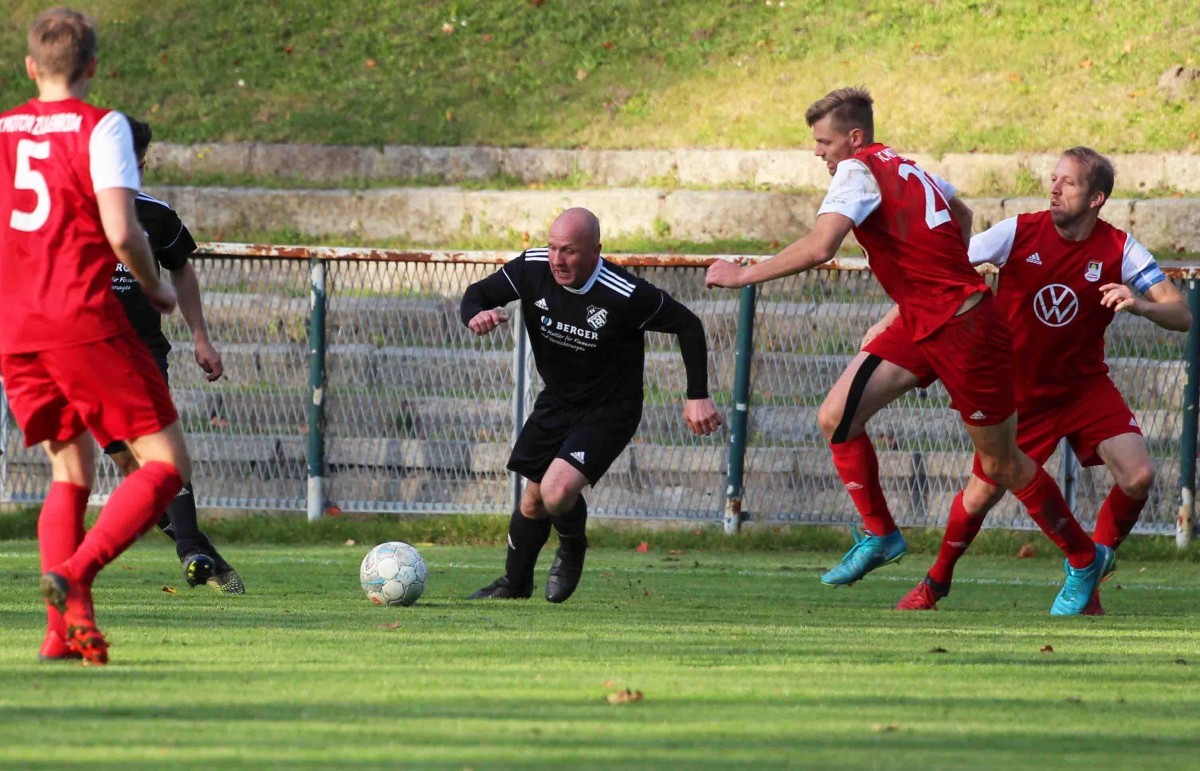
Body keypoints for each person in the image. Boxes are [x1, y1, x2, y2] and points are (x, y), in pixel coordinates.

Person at [705, 87, 1110, 616]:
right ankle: (880, 535)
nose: (818, 152)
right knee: (835, 416)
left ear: (853, 138)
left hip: (965, 329)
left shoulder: (856, 171)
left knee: (1001, 463)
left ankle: (1083, 559)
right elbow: (960, 215)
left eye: (824, 142)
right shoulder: (905, 165)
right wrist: (918, 294)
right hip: (926, 319)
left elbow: (820, 246)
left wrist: (743, 275)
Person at [895, 147, 1191, 613]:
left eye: (1068, 183)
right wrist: (900, 319)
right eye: (1053, 179)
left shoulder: (1121, 249)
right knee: (980, 497)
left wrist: (1140, 303)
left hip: (1083, 386)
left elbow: (1181, 314)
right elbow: (946, 270)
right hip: (1019, 393)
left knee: (1139, 476)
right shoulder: (1017, 232)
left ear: (1096, 199)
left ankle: (1089, 574)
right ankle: (934, 583)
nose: (1053, 189)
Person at [0, 8, 191, 664]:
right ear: (92, 68)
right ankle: (77, 571)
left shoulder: (2, 130)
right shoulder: (100, 125)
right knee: (166, 464)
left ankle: (62, 630)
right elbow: (120, 229)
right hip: (80, 318)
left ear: (30, 67)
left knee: (69, 467)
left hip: (17, 326)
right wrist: (156, 285)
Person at [461, 207, 723, 602]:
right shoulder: (532, 268)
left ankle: (572, 546)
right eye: (552, 247)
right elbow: (477, 293)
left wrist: (697, 395)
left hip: (610, 409)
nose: (556, 260)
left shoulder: (623, 292)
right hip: (559, 401)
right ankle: (514, 586)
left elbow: (688, 324)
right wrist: (474, 315)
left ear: (595, 251)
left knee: (555, 490)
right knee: (533, 501)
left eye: (568, 251)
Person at [102, 117, 243, 594]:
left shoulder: (155, 214)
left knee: (159, 458)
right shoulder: (72, 209)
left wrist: (200, 336)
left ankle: (190, 549)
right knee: (133, 466)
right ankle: (203, 551)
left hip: (141, 352)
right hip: (85, 354)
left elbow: (181, 269)